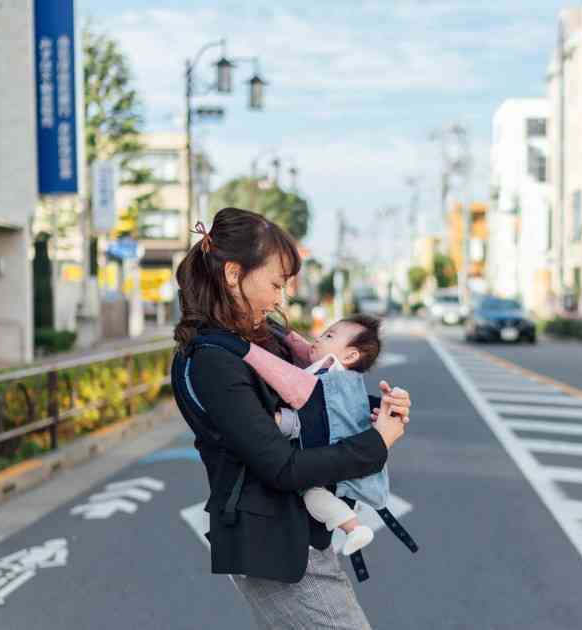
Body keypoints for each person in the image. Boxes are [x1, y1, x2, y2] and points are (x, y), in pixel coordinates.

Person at [171, 207, 412, 630]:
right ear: (232, 274)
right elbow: (282, 467)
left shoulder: (268, 340)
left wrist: (377, 413)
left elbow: (319, 404)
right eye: (276, 284)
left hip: (300, 538)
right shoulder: (213, 360)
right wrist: (376, 444)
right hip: (276, 552)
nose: (280, 298)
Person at [193, 314, 393, 556]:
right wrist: (275, 328)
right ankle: (352, 526)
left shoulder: (328, 383)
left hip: (329, 470)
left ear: (350, 355)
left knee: (313, 496)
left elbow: (279, 374)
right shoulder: (344, 379)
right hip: (336, 462)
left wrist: (232, 344)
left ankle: (352, 527)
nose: (318, 339)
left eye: (329, 336)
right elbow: (302, 348)